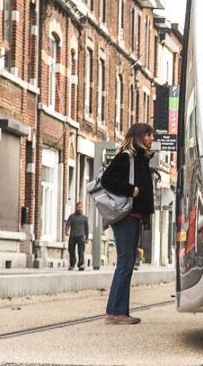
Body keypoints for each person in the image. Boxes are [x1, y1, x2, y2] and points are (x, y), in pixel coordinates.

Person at [100, 122, 155, 325]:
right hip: (126, 217)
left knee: (128, 263)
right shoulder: (126, 157)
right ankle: (114, 311)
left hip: (135, 216)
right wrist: (131, 190)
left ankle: (120, 310)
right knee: (125, 262)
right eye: (149, 135)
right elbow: (107, 180)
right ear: (139, 136)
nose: (152, 139)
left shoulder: (140, 159)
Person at [65, 202, 89, 271]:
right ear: (76, 207)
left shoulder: (85, 218)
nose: (80, 209)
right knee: (71, 251)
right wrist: (66, 231)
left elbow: (86, 228)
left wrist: (87, 238)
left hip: (81, 237)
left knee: (81, 251)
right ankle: (72, 264)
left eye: (81, 207)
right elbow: (68, 224)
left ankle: (81, 265)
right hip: (72, 236)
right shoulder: (72, 216)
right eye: (79, 207)